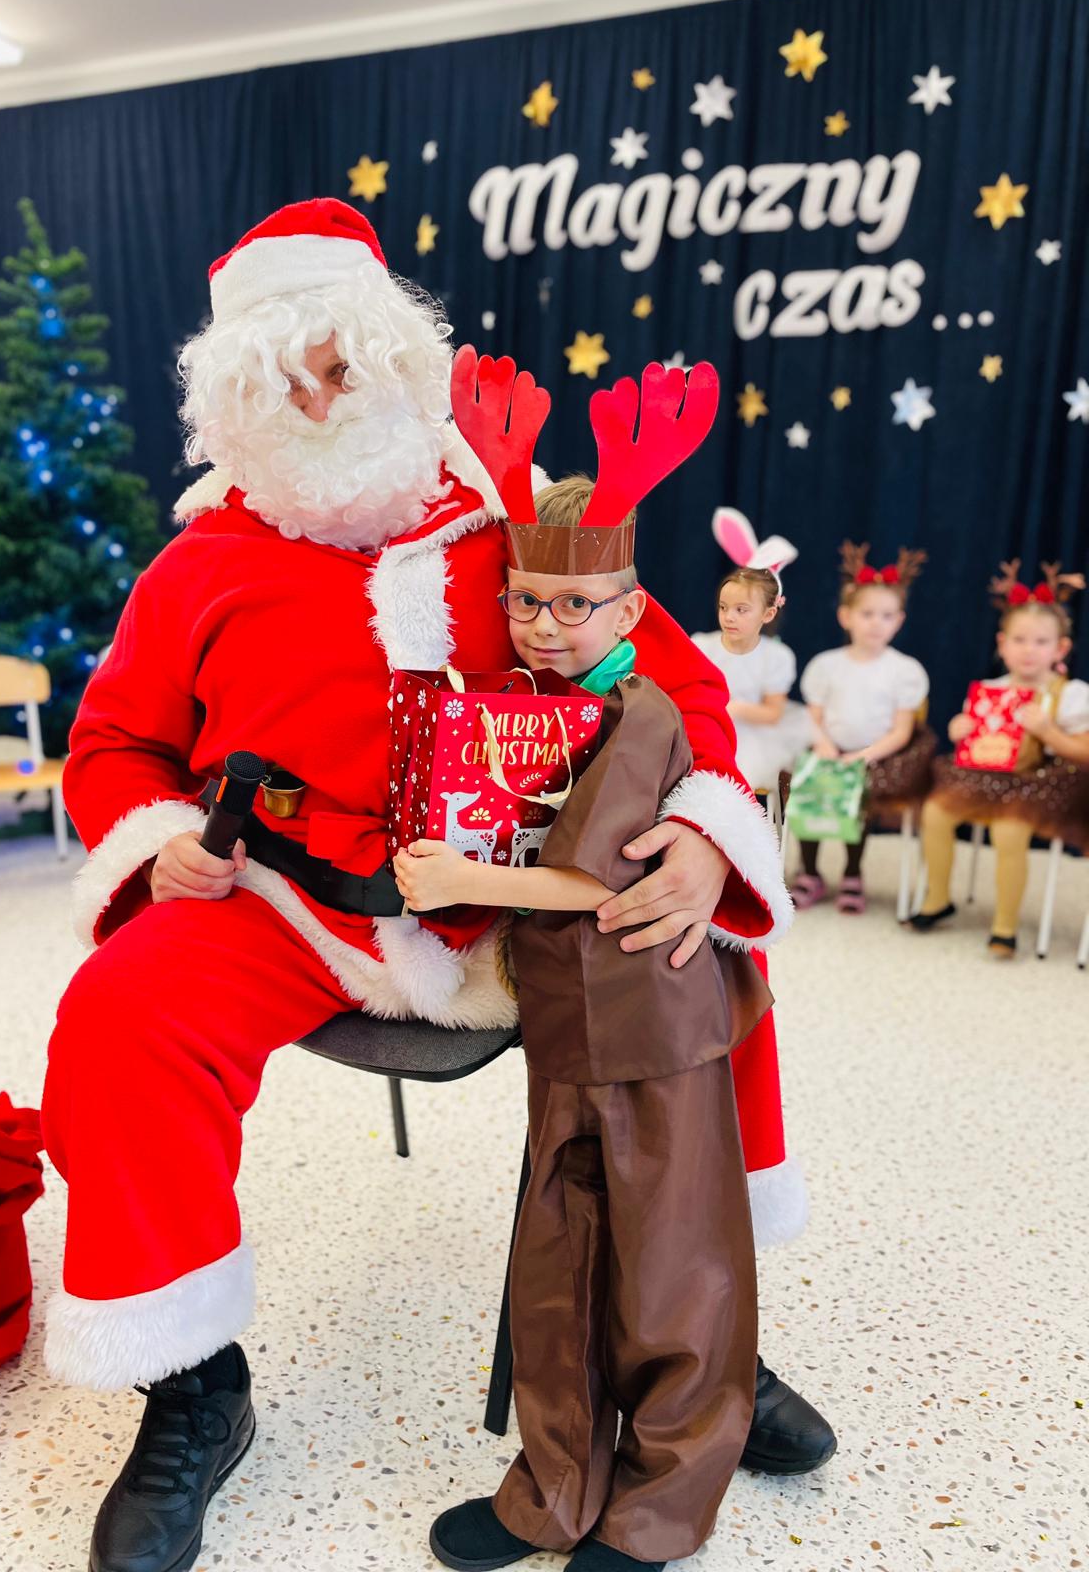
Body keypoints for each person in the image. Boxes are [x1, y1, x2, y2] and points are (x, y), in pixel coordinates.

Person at [38, 200, 823, 1572]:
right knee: (118, 1014)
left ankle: (703, 1344)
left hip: (534, 892)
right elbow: (114, 745)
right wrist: (156, 838)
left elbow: (688, 696)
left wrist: (706, 835)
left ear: (399, 360)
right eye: (281, 384)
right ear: (234, 407)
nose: (317, 402)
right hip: (296, 904)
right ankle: (191, 1384)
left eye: (338, 367)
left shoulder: (521, 524)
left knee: (704, 964)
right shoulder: (197, 566)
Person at [394, 411, 774, 1572]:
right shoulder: (522, 713)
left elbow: (594, 877)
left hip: (654, 1028)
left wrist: (462, 877)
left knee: (672, 1271)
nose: (544, 625)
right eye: (524, 600)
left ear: (629, 607)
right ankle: (553, 1489)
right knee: (558, 1265)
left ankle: (661, 1506)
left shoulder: (642, 713)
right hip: (566, 1025)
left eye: (574, 605)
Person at [911, 562, 1089, 957]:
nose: (1028, 650)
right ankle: (937, 898)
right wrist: (961, 730)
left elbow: (1084, 751)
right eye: (1019, 640)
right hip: (988, 778)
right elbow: (976, 747)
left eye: (1040, 642)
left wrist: (1049, 733)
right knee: (935, 813)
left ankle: (1005, 926)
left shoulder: (1071, 694)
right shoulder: (990, 690)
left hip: (1044, 782)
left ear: (1060, 648)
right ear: (1002, 644)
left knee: (1009, 830)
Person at [795, 543, 929, 913]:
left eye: (886, 616)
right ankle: (810, 871)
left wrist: (862, 756)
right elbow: (812, 717)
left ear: (899, 621)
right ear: (846, 616)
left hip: (877, 756)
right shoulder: (826, 665)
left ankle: (853, 871)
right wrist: (824, 745)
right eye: (867, 614)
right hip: (826, 749)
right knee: (813, 786)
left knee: (859, 798)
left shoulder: (904, 671)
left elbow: (901, 732)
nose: (875, 623)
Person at [693, 507, 814, 792]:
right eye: (724, 608)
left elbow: (773, 713)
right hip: (707, 727)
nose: (729, 617)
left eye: (741, 610)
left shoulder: (776, 657)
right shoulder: (702, 645)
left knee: (737, 774)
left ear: (768, 614)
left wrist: (733, 709)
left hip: (750, 733)